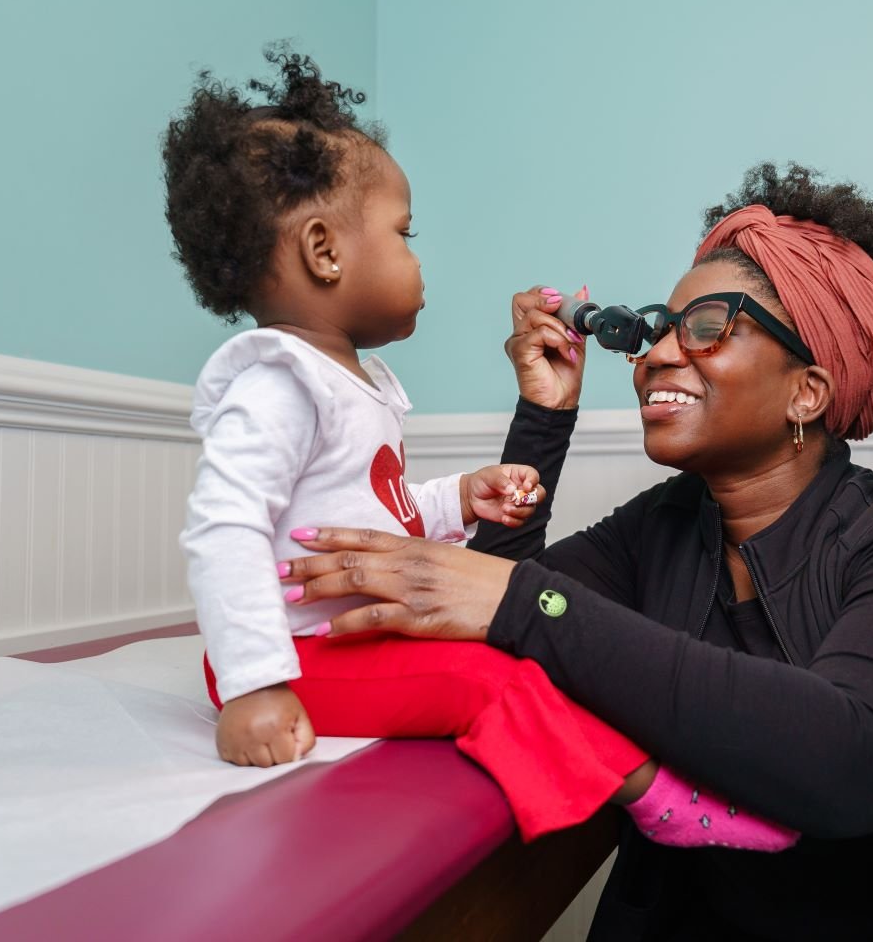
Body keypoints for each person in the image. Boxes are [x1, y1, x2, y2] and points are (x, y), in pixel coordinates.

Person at [277, 163, 873, 939]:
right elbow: (500, 623)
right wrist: (544, 419)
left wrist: (526, 605)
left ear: (808, 392)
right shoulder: (663, 529)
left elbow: (852, 759)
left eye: (707, 327)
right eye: (658, 329)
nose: (656, 355)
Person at [162, 47, 799, 851]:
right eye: (404, 233)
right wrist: (255, 683)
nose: (416, 256)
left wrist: (460, 498)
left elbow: (378, 515)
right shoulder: (277, 384)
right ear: (324, 252)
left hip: (344, 640)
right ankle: (659, 799)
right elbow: (224, 529)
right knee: (492, 680)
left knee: (515, 651)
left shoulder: (352, 381)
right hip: (297, 656)